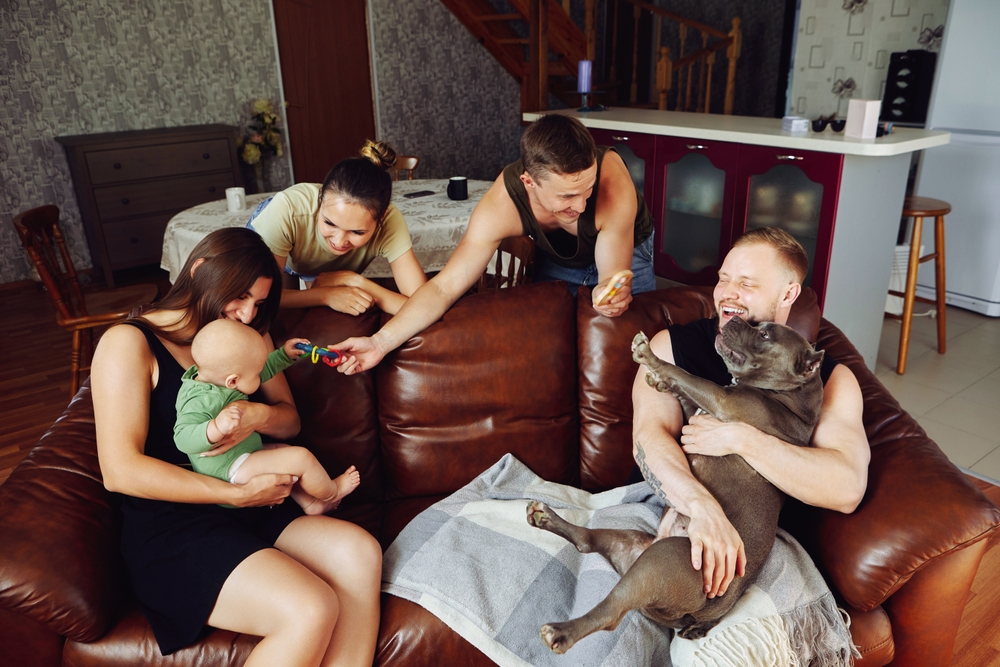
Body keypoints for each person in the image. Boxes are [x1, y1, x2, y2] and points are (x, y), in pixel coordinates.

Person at [91, 227, 381, 666]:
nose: (247, 314)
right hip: (175, 523)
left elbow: (290, 420)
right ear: (200, 270)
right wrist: (235, 494)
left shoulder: (247, 335)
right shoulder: (128, 343)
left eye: (259, 303)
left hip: (251, 504)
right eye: (240, 297)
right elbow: (120, 470)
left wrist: (256, 416)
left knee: (360, 553)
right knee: (310, 607)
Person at [631, 228, 870, 601]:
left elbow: (847, 489)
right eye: (724, 279)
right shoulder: (670, 347)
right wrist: (702, 508)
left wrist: (742, 439)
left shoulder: (829, 378)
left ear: (788, 293)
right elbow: (649, 437)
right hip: (662, 511)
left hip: (753, 543)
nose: (727, 293)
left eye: (746, 283)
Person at [332, 114, 656, 375]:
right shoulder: (503, 203)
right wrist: (379, 342)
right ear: (529, 182)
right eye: (568, 195)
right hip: (555, 257)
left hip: (630, 247)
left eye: (588, 188)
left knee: (629, 352)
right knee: (551, 347)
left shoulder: (614, 183)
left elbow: (611, 275)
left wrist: (608, 295)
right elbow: (445, 287)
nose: (582, 206)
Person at [174, 320, 360, 515]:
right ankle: (332, 493)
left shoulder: (222, 377)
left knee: (285, 452)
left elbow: (264, 368)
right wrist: (215, 427)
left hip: (243, 455)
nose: (260, 374)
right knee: (300, 458)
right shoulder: (198, 400)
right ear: (233, 381)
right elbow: (182, 439)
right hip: (229, 472)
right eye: (256, 373)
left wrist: (284, 355)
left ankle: (312, 503)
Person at [246, 139, 427, 315]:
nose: (339, 242)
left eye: (357, 231)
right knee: (273, 313)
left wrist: (355, 281)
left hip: (314, 262)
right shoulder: (287, 209)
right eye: (329, 223)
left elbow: (423, 305)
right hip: (281, 242)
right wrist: (326, 296)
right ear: (319, 200)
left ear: (381, 217)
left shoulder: (390, 222)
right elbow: (266, 298)